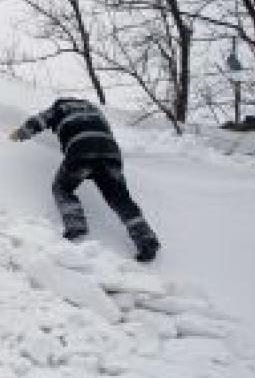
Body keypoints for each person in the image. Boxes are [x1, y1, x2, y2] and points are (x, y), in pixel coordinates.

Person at [10, 97, 160, 262]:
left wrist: (19, 133)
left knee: (62, 188)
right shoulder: (94, 110)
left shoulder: (59, 108)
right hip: (110, 154)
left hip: (81, 151)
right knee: (121, 200)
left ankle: (76, 226)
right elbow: (106, 132)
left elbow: (37, 122)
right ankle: (146, 240)